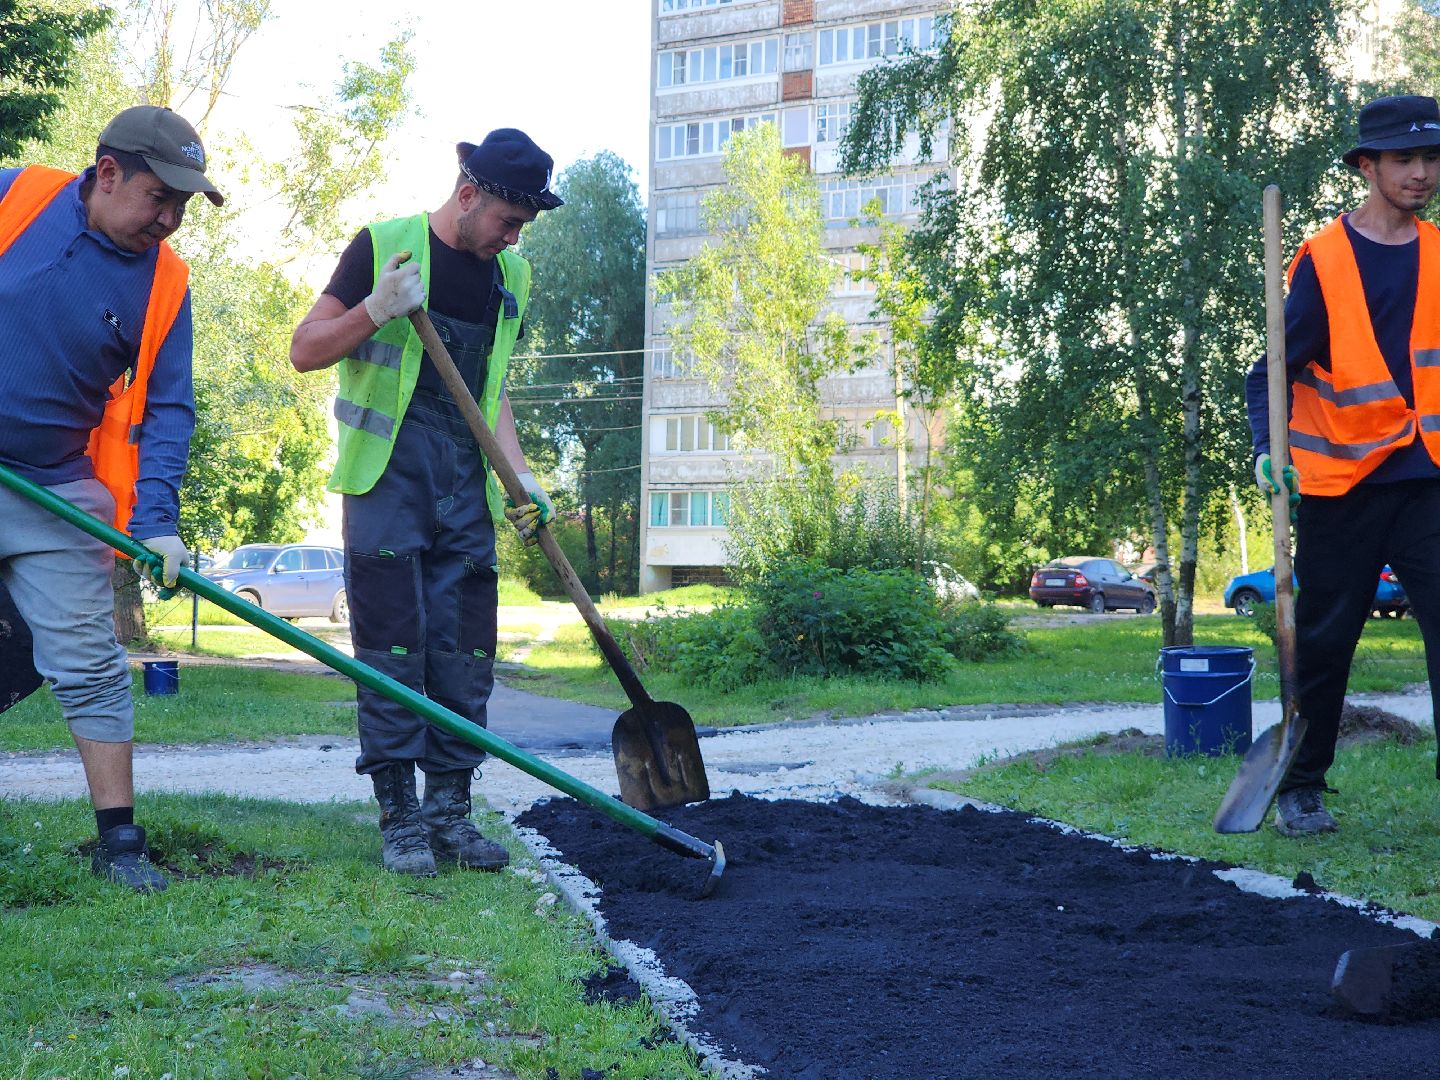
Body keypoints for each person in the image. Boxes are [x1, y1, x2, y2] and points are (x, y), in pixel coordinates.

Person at [290, 128, 560, 877]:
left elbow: (491, 392)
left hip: (465, 488)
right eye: (508, 220)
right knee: (391, 653)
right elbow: (305, 349)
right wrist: (375, 308)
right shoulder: (384, 247)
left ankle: (449, 815)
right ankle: (401, 820)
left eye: (523, 227)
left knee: (465, 652)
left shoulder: (512, 276)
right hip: (386, 482)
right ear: (467, 195)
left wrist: (522, 477)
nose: (513, 237)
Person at [0, 105, 223, 891]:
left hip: (53, 485)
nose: (169, 220)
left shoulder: (166, 282)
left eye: (182, 205)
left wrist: (156, 522)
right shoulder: (14, 197)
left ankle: (119, 844)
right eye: (159, 197)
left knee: (92, 663)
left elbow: (168, 409)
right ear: (106, 173)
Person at [1246, 93, 1440, 836]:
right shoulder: (1325, 261)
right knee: (1324, 642)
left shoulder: (1439, 253)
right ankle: (1301, 787)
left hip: (1429, 480)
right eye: (1404, 159)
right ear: (1368, 166)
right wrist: (1269, 452)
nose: (1421, 173)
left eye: (1431, 158)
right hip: (1344, 484)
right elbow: (1270, 373)